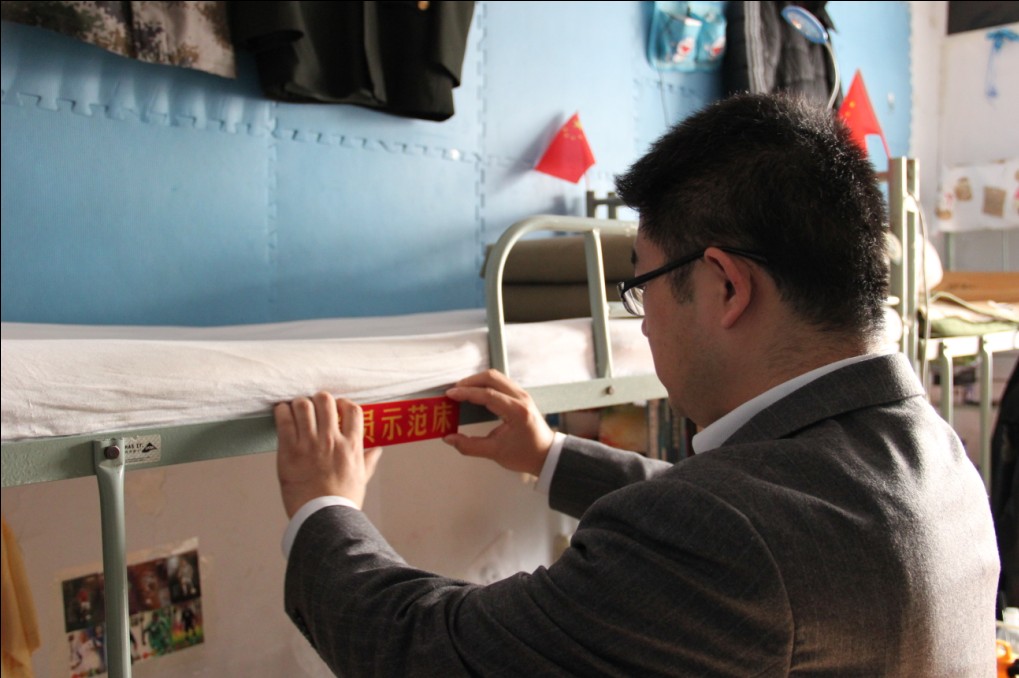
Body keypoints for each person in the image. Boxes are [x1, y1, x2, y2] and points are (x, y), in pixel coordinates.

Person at [273, 93, 1000, 676]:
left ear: (725, 286)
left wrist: (323, 505)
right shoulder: (932, 454)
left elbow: (432, 653)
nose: (644, 322)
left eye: (641, 285)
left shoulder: (730, 538)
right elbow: (741, 513)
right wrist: (550, 456)